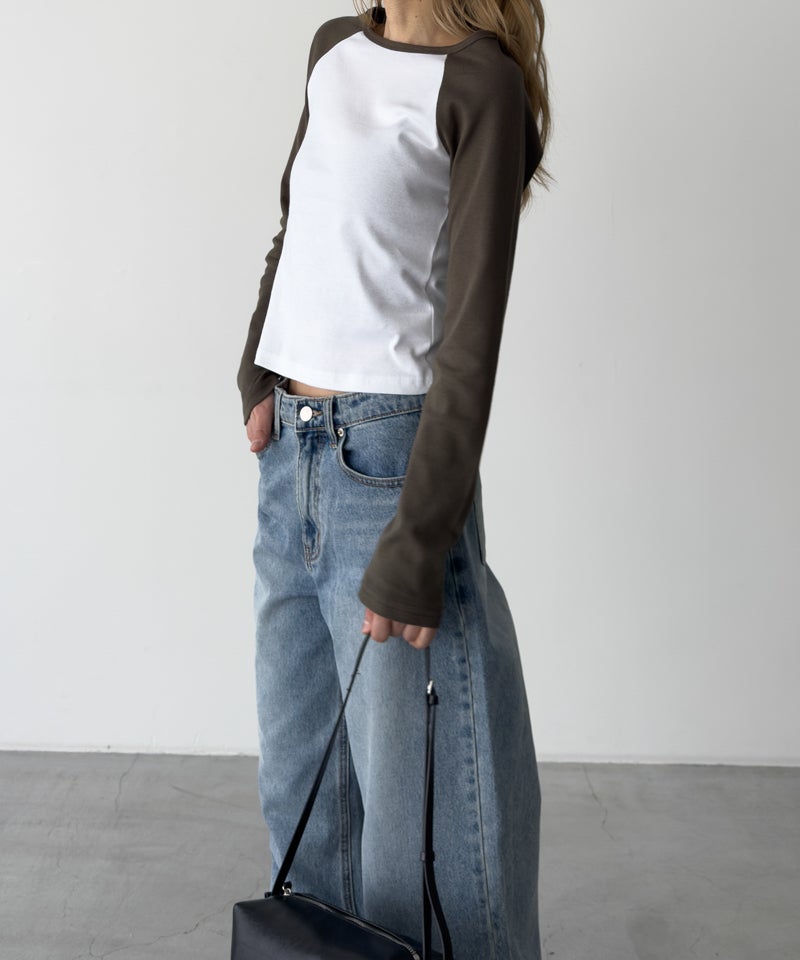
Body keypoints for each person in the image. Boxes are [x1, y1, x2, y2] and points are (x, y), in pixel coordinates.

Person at [236, 2, 552, 958]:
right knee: (304, 804)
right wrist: (257, 367)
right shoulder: (334, 48)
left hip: (389, 466)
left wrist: (420, 538)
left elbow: (471, 336)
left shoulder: (480, 81)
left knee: (430, 835)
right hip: (291, 460)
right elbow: (299, 223)